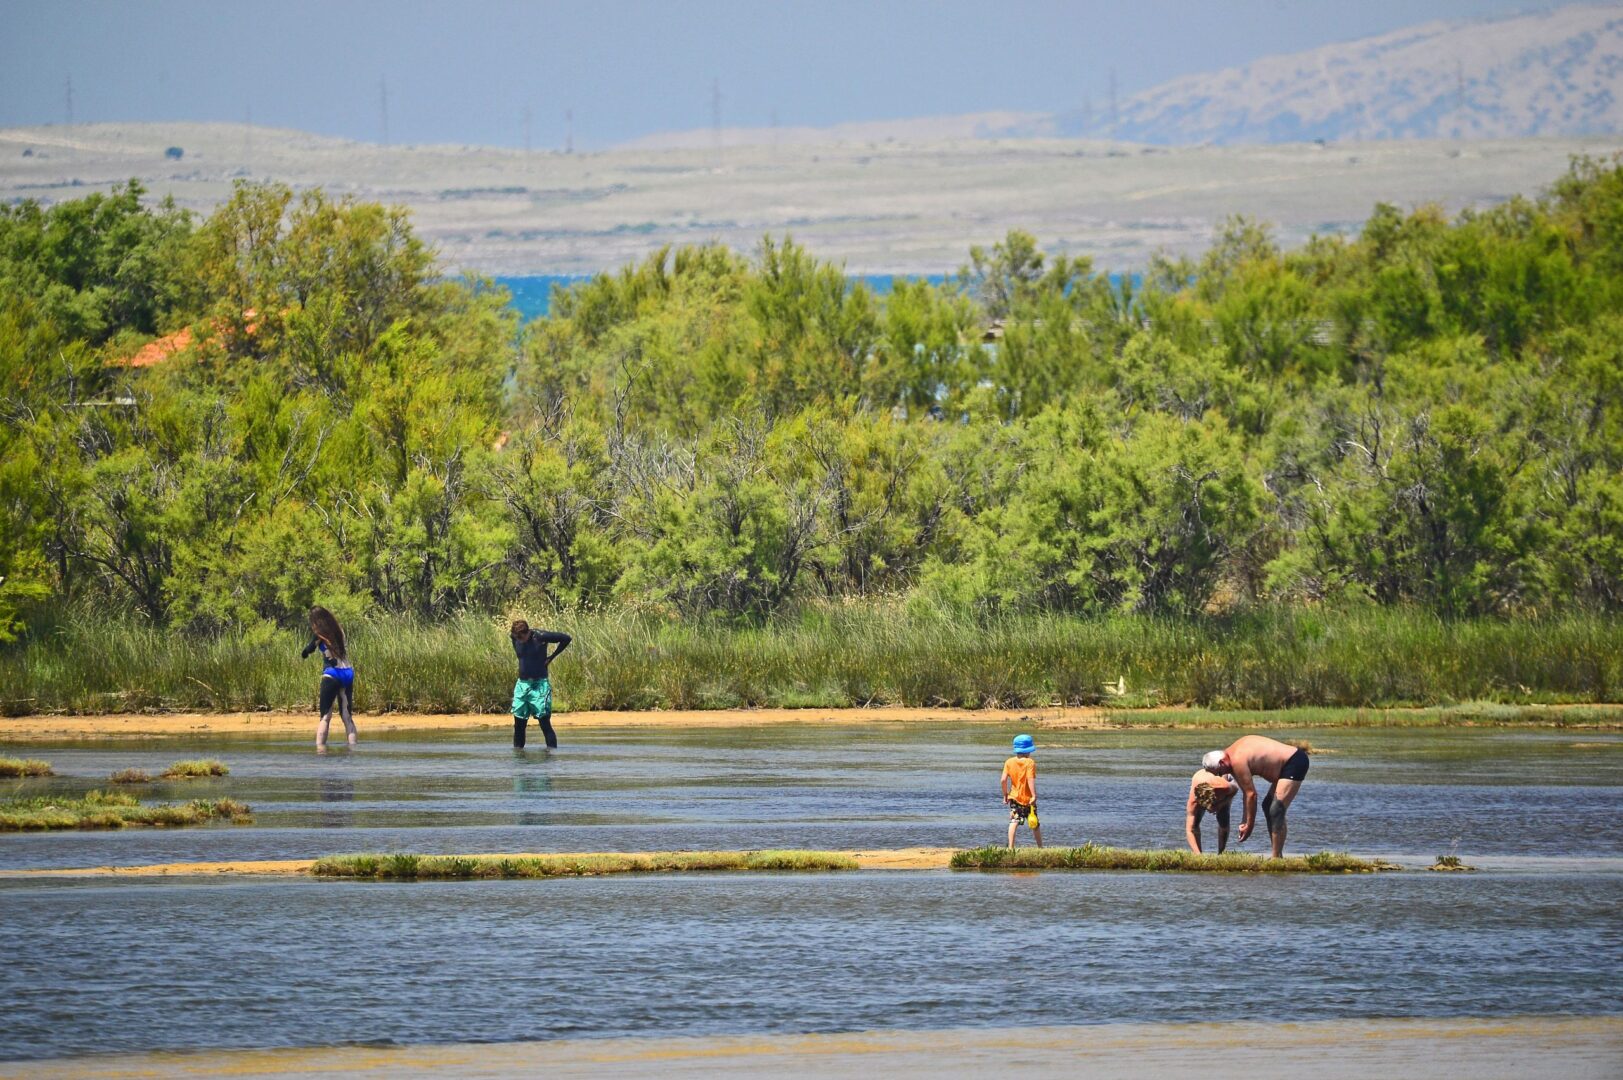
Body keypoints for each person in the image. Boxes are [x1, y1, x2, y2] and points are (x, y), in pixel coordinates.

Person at [1201, 735, 1310, 858]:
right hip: (1284, 766)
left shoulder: (1237, 760)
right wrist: (1244, 821)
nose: (1223, 775)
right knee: (1268, 805)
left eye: (1220, 772)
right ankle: (1277, 856)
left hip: (1294, 762)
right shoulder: (1229, 758)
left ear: (1221, 762)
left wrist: (1250, 826)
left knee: (1276, 809)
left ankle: (1276, 858)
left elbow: (1251, 795)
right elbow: (1245, 793)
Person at [301, 606, 356, 753]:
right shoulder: (340, 630)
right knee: (347, 717)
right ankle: (352, 751)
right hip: (348, 673)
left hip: (332, 675)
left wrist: (304, 654)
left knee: (325, 717)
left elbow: (309, 649)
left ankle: (320, 752)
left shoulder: (320, 634)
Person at [511, 618, 571, 749]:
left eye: (521, 637)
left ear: (527, 633)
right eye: (517, 638)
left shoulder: (541, 636)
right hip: (522, 685)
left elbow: (566, 638)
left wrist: (551, 657)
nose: (519, 640)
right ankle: (518, 757)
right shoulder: (514, 638)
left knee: (544, 723)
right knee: (519, 725)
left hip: (539, 685)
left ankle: (550, 756)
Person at [1000, 733, 1043, 849]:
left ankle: (1010, 847)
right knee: (1035, 823)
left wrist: (1005, 794)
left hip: (1014, 797)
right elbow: (1030, 779)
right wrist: (1034, 795)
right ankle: (1040, 847)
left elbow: (1003, 780)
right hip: (1028, 799)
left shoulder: (1009, 762)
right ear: (1029, 749)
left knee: (1014, 821)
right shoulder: (1030, 762)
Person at [1184, 765, 1236, 853]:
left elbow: (1235, 789)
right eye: (1206, 805)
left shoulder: (1223, 787)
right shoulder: (1193, 802)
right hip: (1201, 779)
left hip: (1219, 781)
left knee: (1224, 820)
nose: (1210, 809)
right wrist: (1198, 856)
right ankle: (1198, 853)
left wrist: (1221, 804)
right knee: (1195, 824)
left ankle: (1221, 853)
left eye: (1212, 804)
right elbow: (1189, 830)